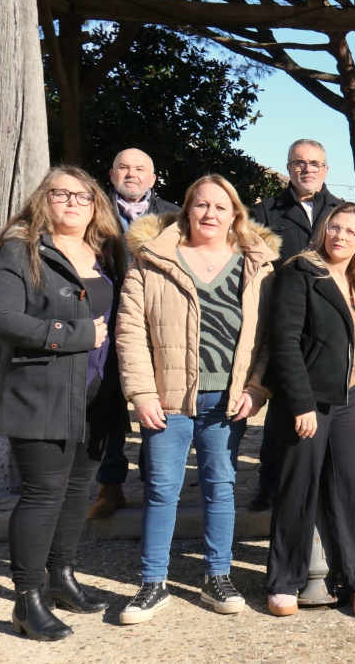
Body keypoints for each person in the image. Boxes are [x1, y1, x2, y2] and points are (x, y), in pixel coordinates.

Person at [115, 174, 280, 624]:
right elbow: (129, 332)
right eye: (201, 204)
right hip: (167, 399)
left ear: (235, 215)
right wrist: (142, 393)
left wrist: (256, 389)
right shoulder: (152, 260)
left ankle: (217, 575)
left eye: (221, 206)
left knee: (221, 487)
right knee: (161, 490)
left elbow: (269, 339)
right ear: (186, 210)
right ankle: (153, 582)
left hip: (227, 402)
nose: (210, 213)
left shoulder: (257, 265)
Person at [0, 167, 127, 641]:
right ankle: (27, 600)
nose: (72, 202)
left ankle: (61, 577)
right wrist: (71, 334)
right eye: (60, 194)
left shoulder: (107, 251)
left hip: (98, 393)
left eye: (82, 195)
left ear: (95, 205)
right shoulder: (21, 249)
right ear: (42, 200)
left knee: (77, 490)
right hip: (42, 392)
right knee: (44, 493)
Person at [264, 203, 355, 619]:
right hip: (307, 401)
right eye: (335, 227)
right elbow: (284, 342)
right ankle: (284, 582)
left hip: (349, 400)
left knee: (351, 490)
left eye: (351, 231)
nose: (340, 236)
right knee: (297, 488)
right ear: (323, 230)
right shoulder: (301, 272)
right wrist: (301, 403)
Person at [248, 138, 345, 512]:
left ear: (326, 169)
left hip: (328, 323)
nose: (307, 169)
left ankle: (322, 485)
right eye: (299, 163)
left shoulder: (341, 212)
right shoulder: (265, 212)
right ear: (289, 168)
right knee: (280, 405)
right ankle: (269, 482)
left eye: (314, 163)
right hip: (283, 321)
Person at [88, 148, 180, 521]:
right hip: (107, 319)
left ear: (153, 178)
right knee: (107, 402)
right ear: (111, 175)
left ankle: (153, 483)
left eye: (140, 168)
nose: (132, 174)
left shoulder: (173, 215)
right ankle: (110, 486)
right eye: (124, 167)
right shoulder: (93, 212)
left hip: (158, 320)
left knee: (157, 401)